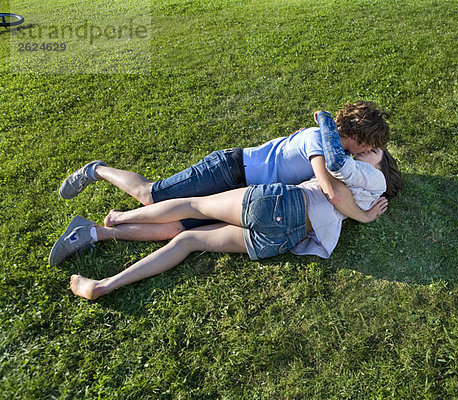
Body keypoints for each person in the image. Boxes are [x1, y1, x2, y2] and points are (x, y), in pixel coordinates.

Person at [67, 118, 402, 299]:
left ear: (381, 169)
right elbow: (331, 171)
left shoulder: (365, 177)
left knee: (191, 207)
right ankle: (103, 282)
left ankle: (115, 220)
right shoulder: (358, 176)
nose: (367, 153)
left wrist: (366, 213)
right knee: (184, 234)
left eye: (374, 153)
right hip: (279, 236)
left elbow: (334, 189)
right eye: (368, 148)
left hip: (275, 204)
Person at [49, 102, 390, 266]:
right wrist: (364, 216)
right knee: (149, 195)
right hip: (231, 171)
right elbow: (330, 191)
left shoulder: (340, 156)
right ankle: (97, 170)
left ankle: (91, 232)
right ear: (358, 139)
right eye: (370, 146)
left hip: (247, 196)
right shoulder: (320, 142)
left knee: (177, 227)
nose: (368, 152)